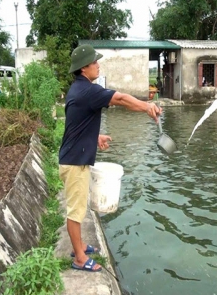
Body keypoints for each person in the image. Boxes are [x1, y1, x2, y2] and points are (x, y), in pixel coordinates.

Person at [59, 44, 161, 272]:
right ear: (84, 68)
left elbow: (75, 126)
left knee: (79, 208)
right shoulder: (88, 91)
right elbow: (122, 99)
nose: (98, 65)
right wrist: (147, 106)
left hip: (74, 157)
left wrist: (95, 137)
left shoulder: (78, 89)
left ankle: (81, 246)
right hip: (75, 162)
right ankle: (79, 258)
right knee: (75, 212)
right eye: (94, 62)